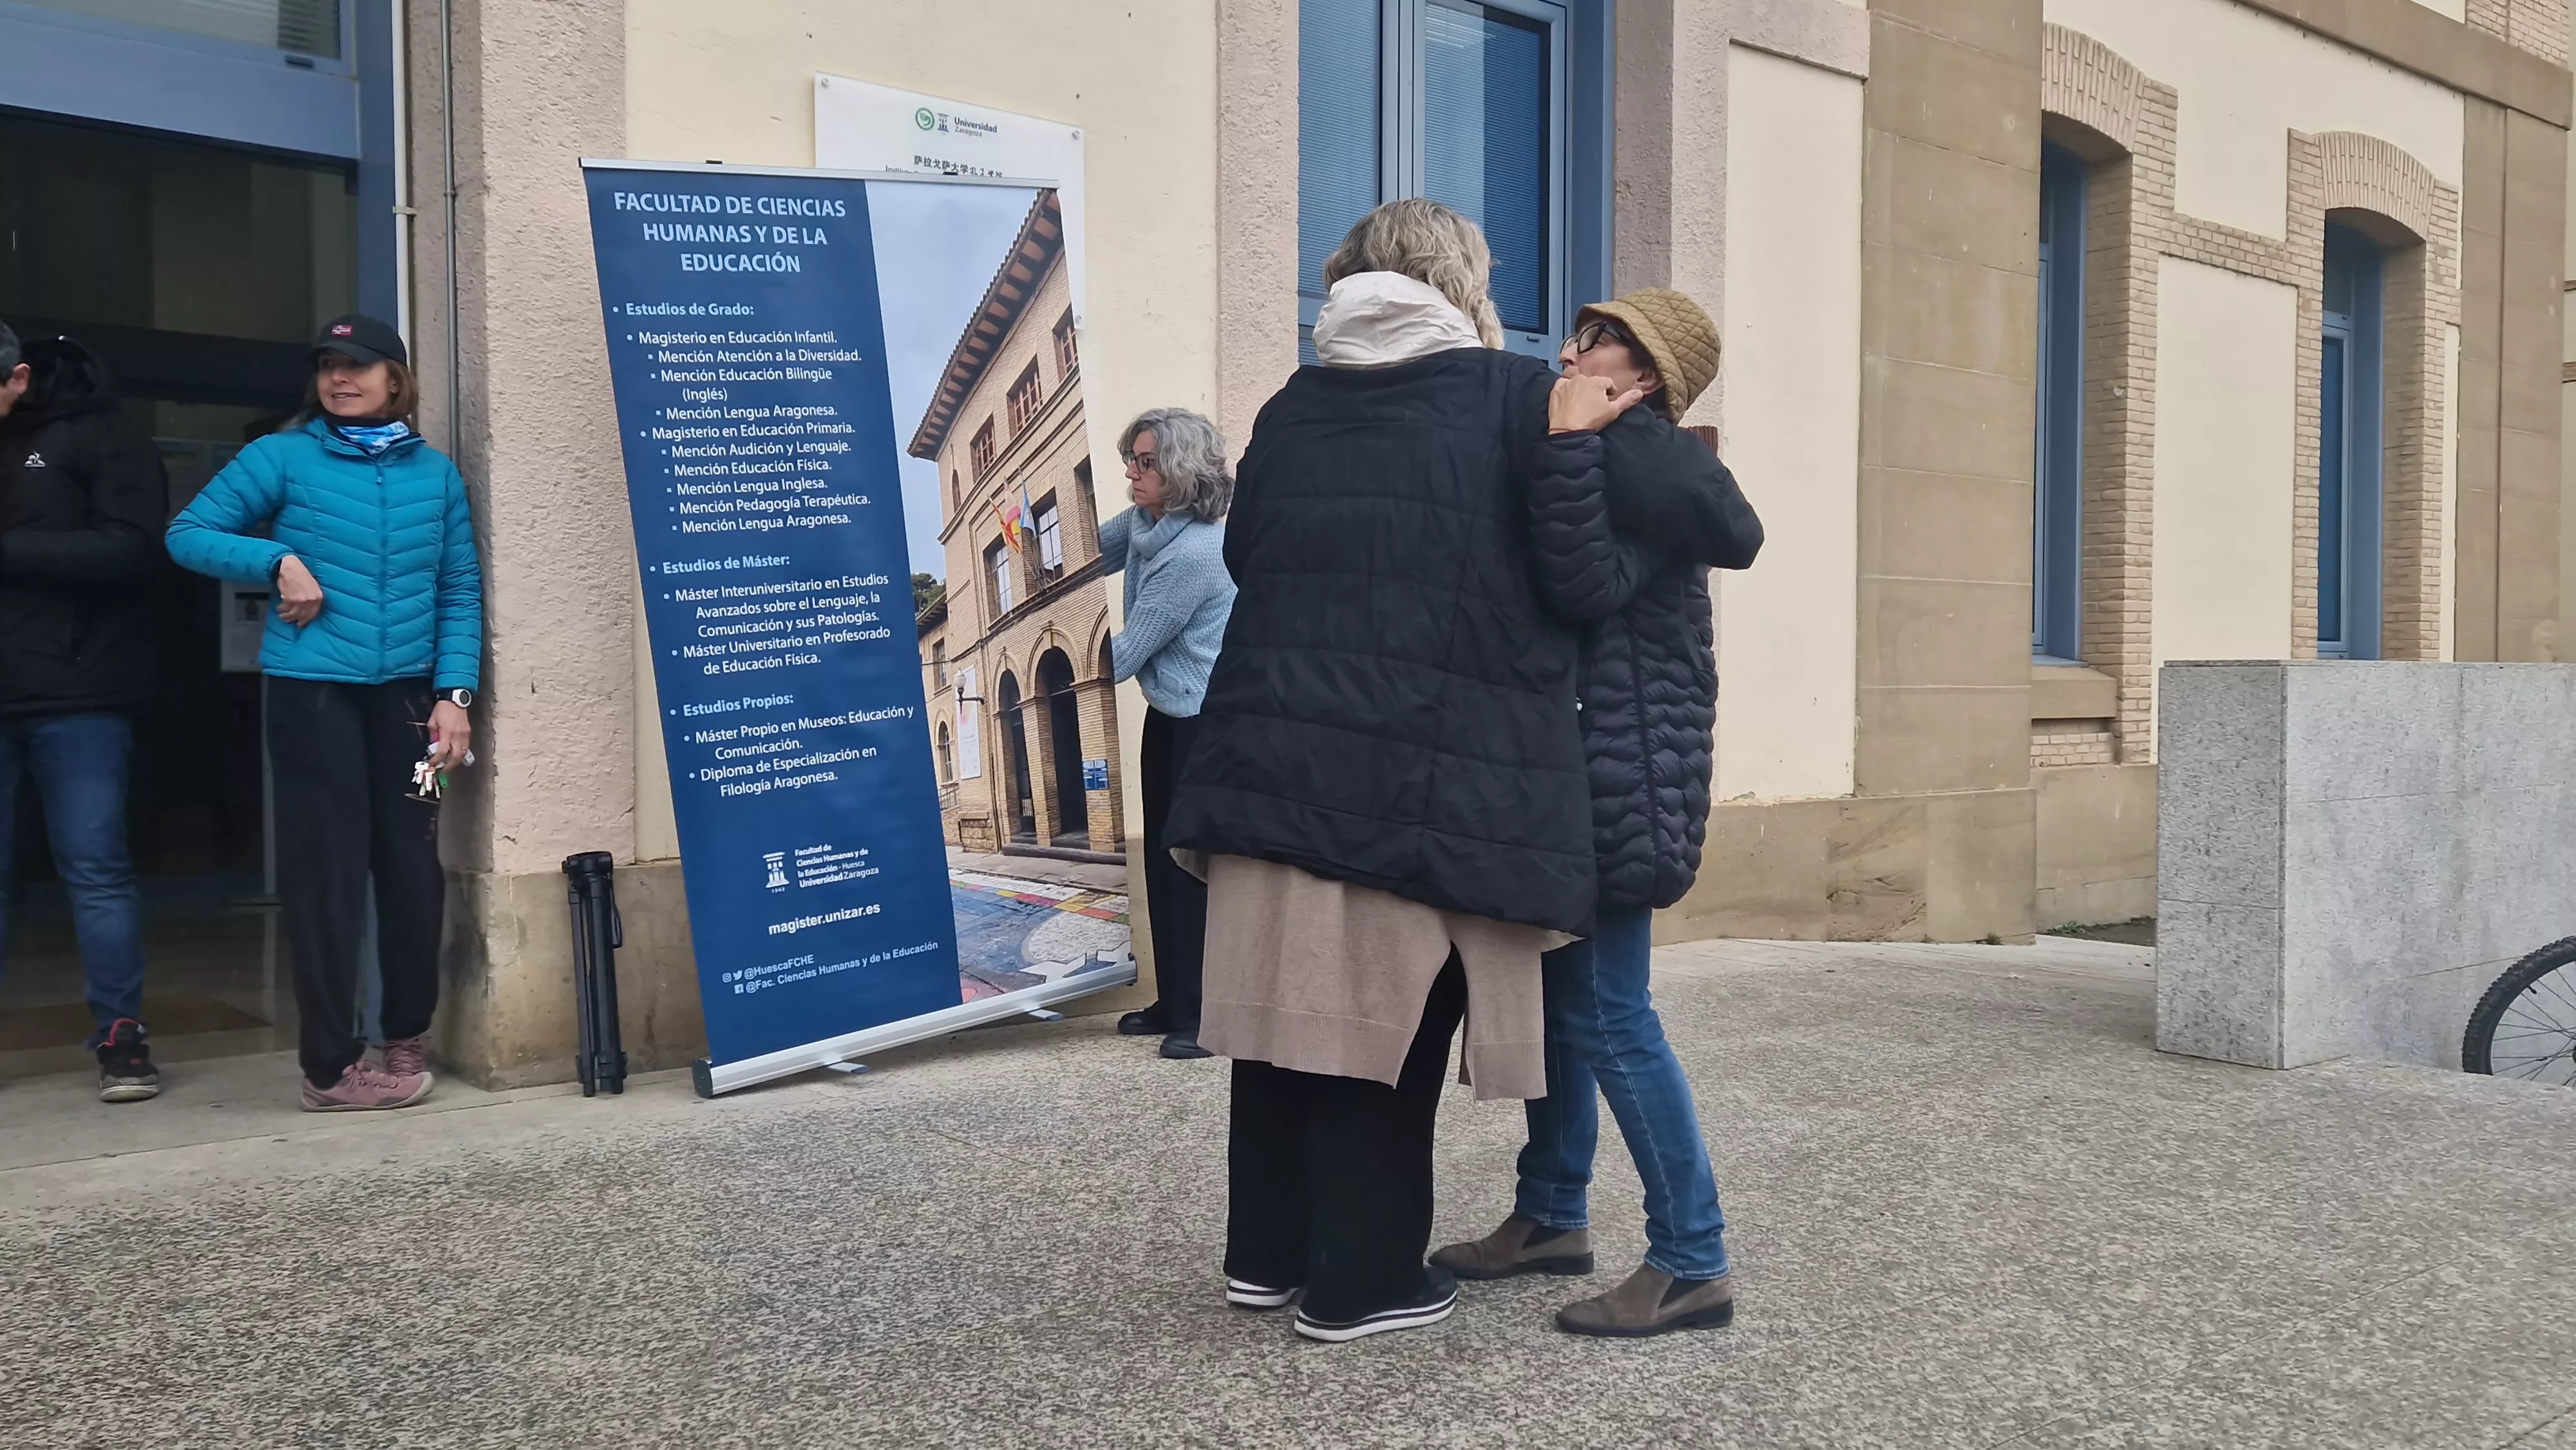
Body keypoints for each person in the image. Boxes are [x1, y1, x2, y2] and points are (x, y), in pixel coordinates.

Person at [1162, 200, 1647, 1344]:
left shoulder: (1293, 402)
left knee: (1282, 1018)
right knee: (1391, 1025)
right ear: (1463, 280)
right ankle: (1365, 1280)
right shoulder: (1517, 395)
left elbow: (1250, 553)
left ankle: (1267, 1258)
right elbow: (1581, 587)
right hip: (1426, 766)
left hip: (1270, 758)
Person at [1433, 289, 1764, 1337]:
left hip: (1623, 777)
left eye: (1597, 343)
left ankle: (1693, 1259)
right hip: (1578, 768)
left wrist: (1574, 443)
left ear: (1648, 376)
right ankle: (1552, 1214)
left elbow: (1581, 585)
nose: (1570, 354)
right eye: (1577, 336)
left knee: (1614, 1015)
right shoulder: (1626, 463)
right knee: (1564, 1006)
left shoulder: (1646, 465)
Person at [166, 314, 482, 1113]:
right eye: (329, 365)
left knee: (413, 869)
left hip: (411, 705)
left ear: (395, 379)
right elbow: (187, 533)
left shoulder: (436, 474)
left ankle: (404, 1034)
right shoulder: (282, 456)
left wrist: (455, 696)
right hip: (313, 698)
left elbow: (457, 589)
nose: (341, 378)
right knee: (328, 878)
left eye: (359, 365)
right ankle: (330, 1068)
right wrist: (277, 558)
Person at [0, 322, 167, 1103]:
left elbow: (133, 548)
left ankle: (121, 1037)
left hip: (79, 692)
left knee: (96, 871)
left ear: (18, 378)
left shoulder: (102, 434)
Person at [1099, 408, 1237, 1062]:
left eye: (1147, 462)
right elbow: (1078, 555)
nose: (1132, 471)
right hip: (1168, 716)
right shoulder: (1144, 525)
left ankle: (1204, 1015)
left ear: (1180, 472)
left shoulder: (1196, 553)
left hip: (1204, 725)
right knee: (1159, 860)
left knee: (1188, 869)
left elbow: (1126, 653)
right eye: (1132, 457)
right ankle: (1174, 998)